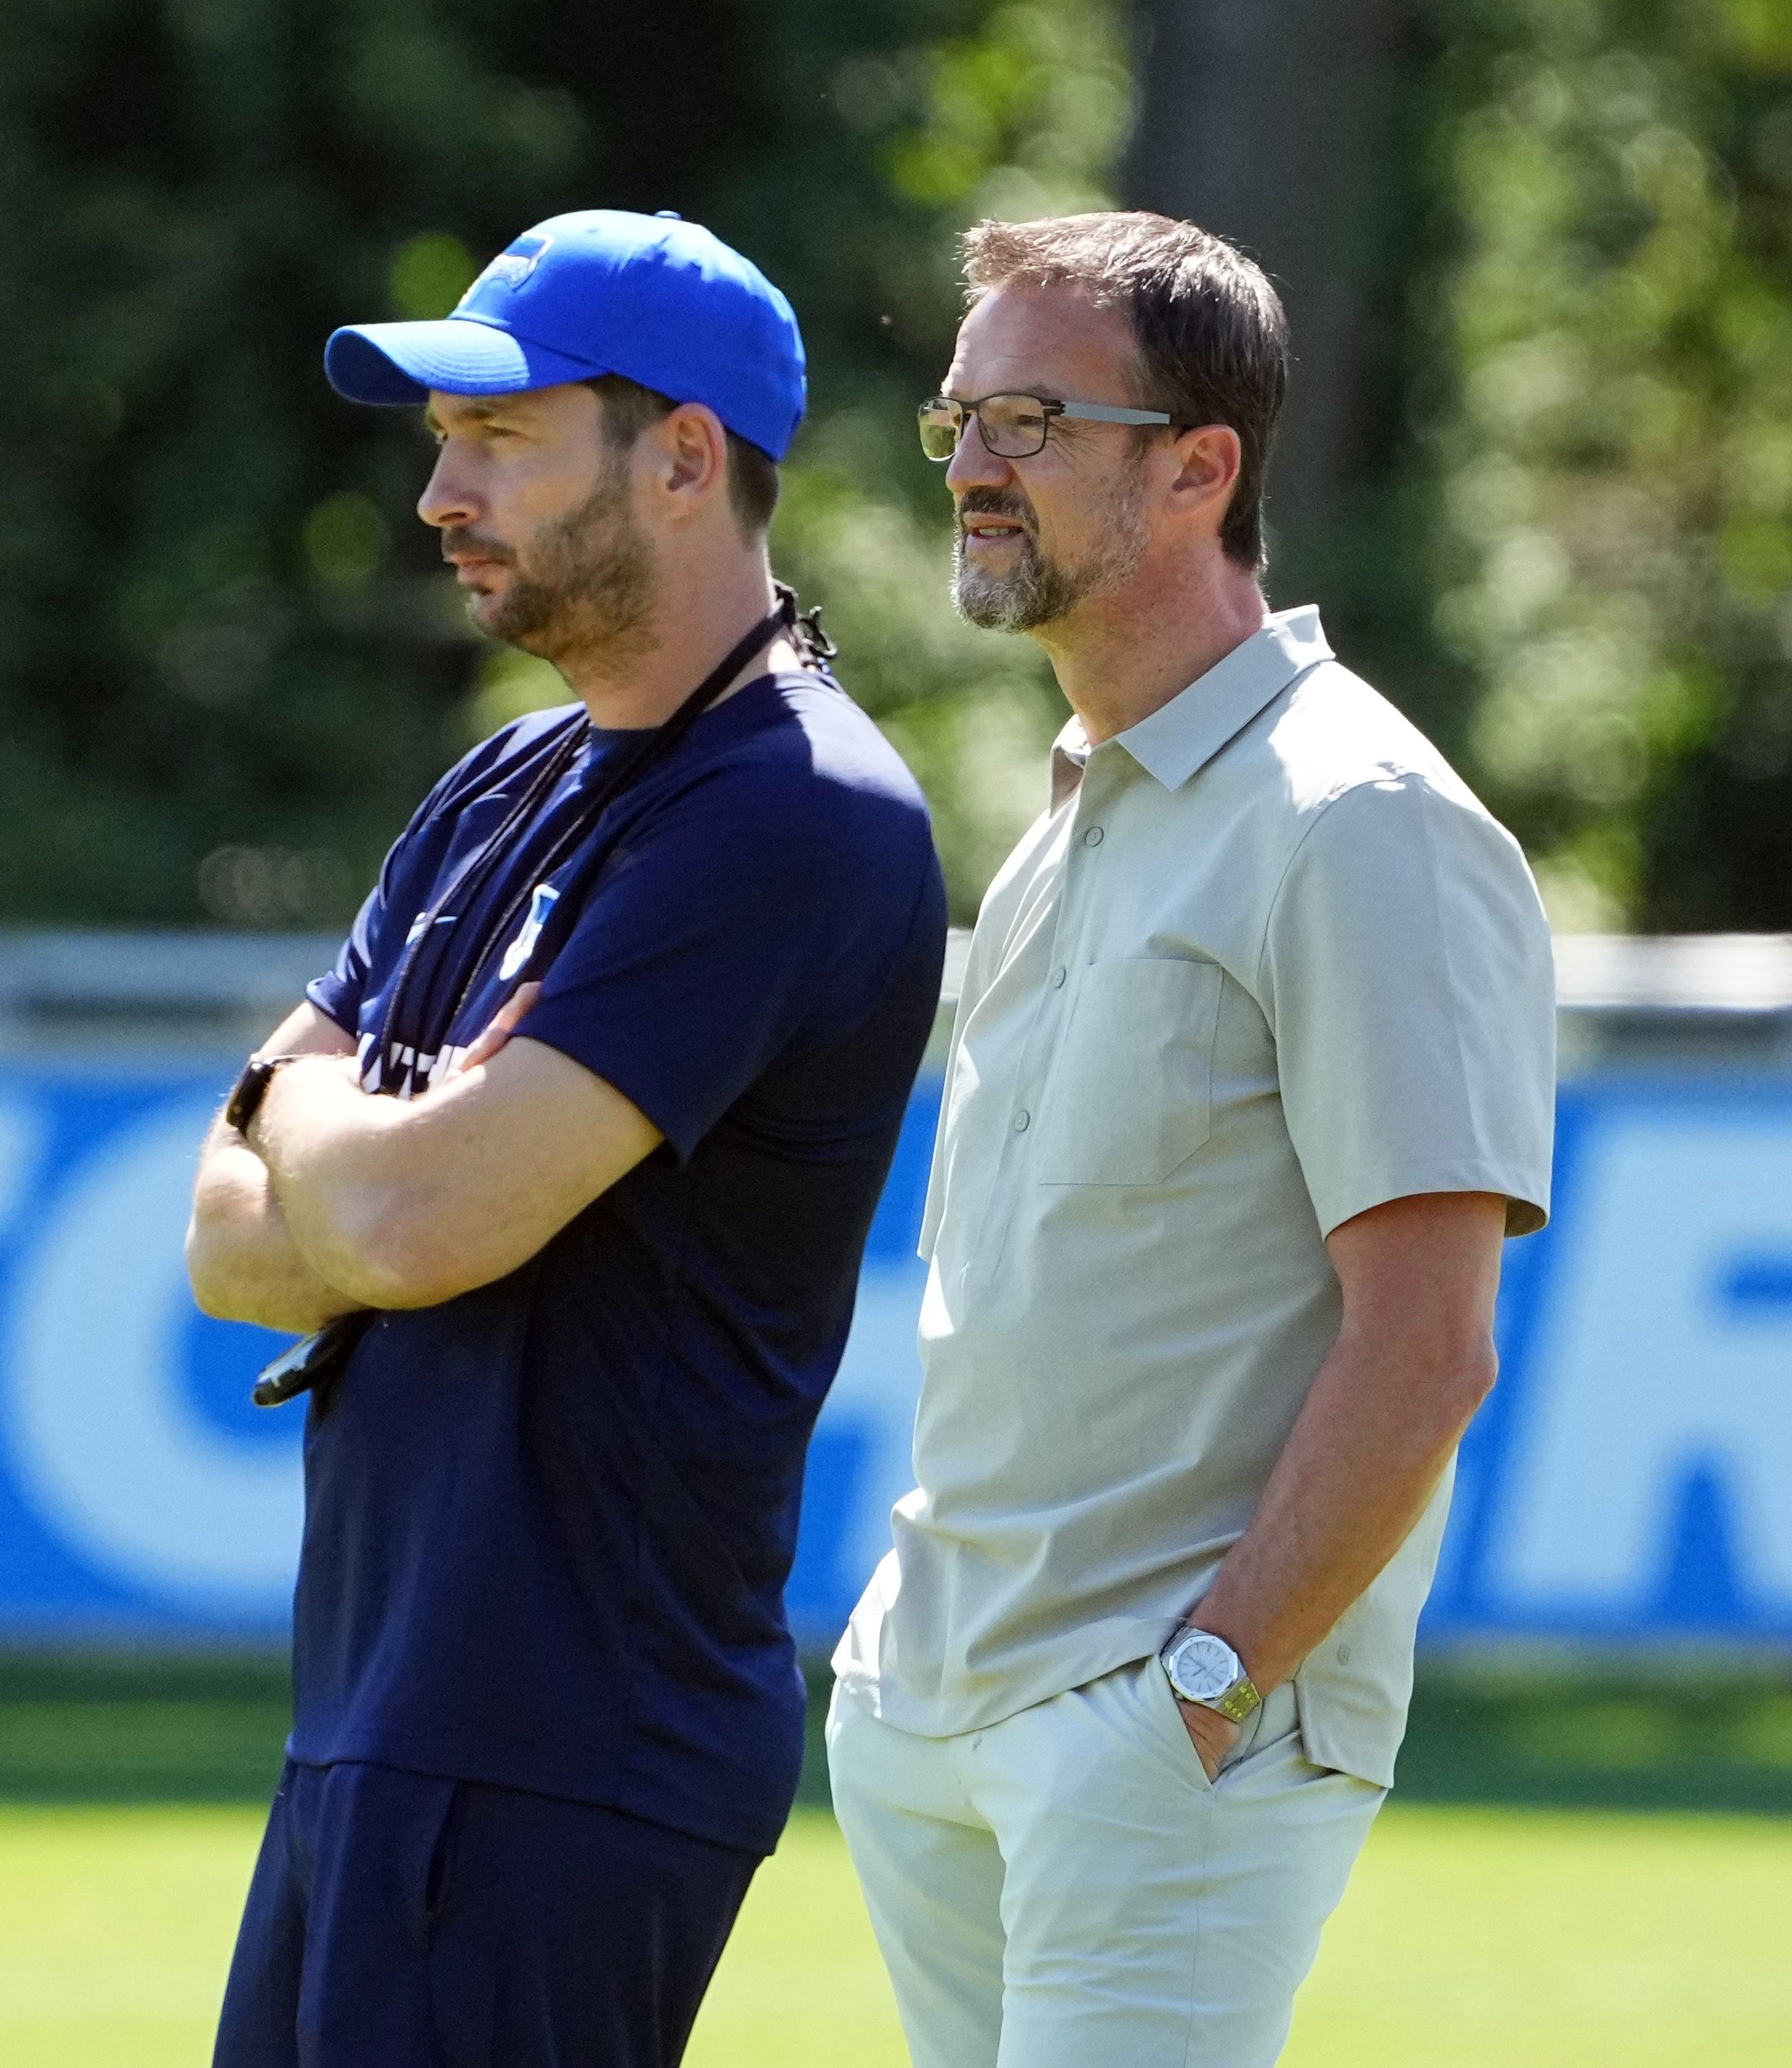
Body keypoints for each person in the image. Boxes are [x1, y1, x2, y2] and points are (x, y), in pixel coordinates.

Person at [185, 208, 946, 2068]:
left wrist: (293, 1099)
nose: (443, 492)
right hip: (379, 1709)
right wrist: (357, 1160)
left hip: (553, 1749)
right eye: (443, 441)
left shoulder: (794, 812)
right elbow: (228, 1249)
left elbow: (415, 1225)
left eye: (501, 436)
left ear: (684, 459)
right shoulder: (503, 779)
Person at [823, 210, 1556, 2068]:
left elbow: (1430, 1340)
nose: (975, 468)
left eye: (1032, 423)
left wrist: (1207, 1691)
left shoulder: (1362, 816)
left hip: (1158, 1740)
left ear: (1200, 468)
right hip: (937, 1705)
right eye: (962, 419)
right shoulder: (1068, 808)